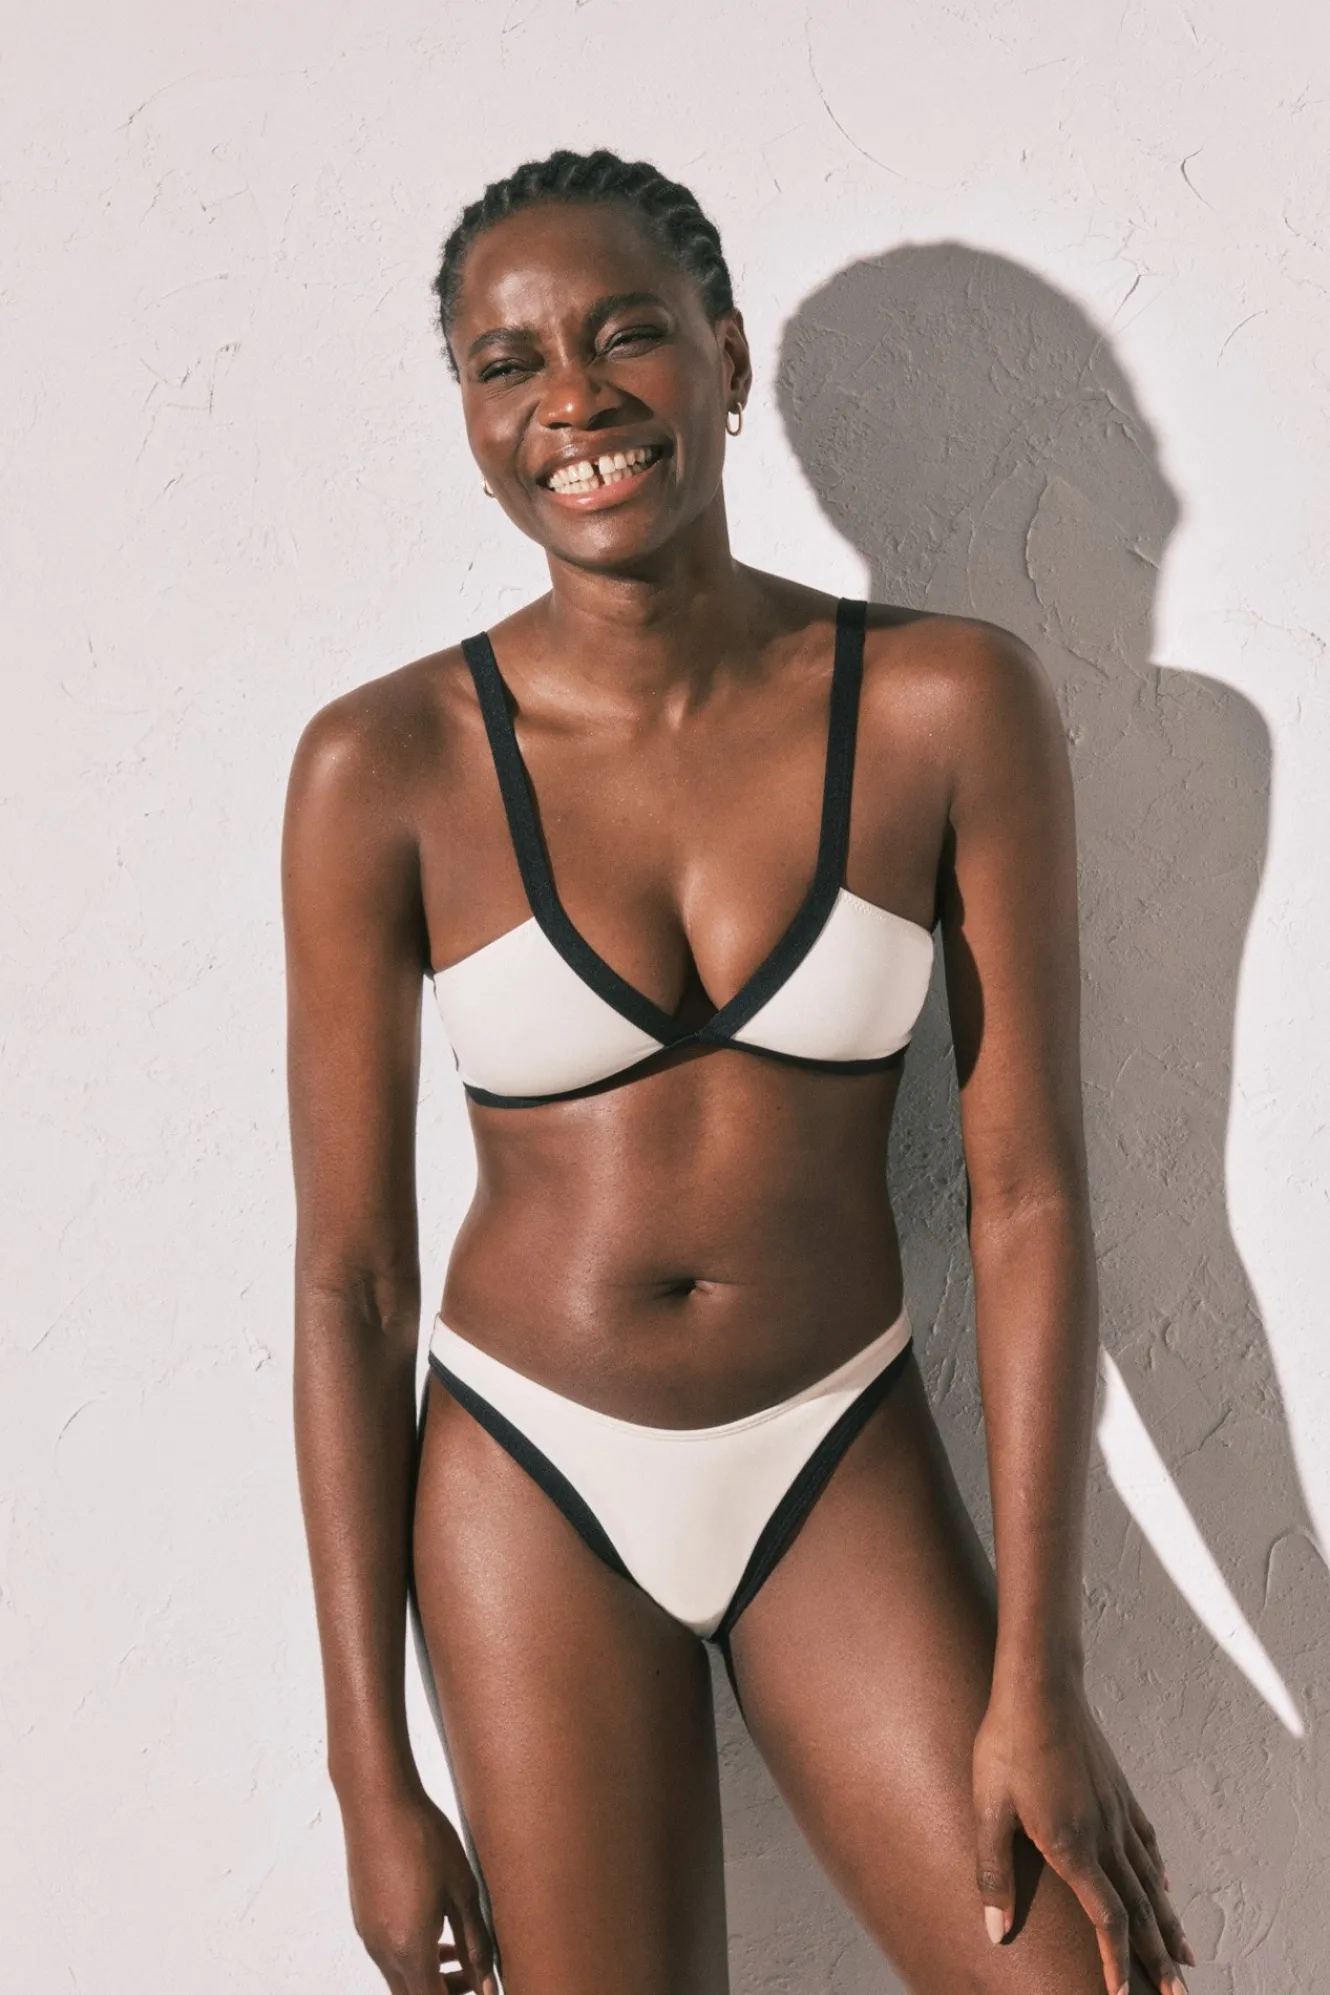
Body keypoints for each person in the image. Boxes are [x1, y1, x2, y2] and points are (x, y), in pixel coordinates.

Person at [282, 148, 1193, 1995]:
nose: (574, 400)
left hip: (835, 1444)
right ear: (468, 416)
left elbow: (1024, 1197)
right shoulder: (382, 765)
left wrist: (1039, 1673)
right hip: (527, 1475)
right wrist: (369, 1776)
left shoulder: (946, 703)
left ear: (726, 359)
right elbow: (351, 1283)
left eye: (626, 336)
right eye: (508, 363)